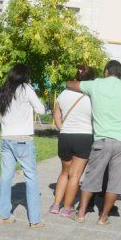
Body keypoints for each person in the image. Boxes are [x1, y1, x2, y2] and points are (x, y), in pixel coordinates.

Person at [66, 60, 121, 224]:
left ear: (106, 71)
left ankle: (80, 215)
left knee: (91, 178)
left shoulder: (96, 84)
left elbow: (71, 85)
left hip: (102, 140)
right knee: (116, 182)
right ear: (120, 74)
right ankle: (103, 217)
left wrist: (74, 78)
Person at [0, 64, 46, 227]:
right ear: (25, 76)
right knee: (31, 177)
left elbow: (0, 113)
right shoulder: (26, 88)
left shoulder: (4, 90)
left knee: (6, 177)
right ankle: (35, 220)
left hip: (6, 138)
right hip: (23, 139)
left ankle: (4, 215)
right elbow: (41, 110)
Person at [51, 65, 96, 217]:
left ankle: (56, 205)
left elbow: (56, 115)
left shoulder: (64, 93)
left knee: (64, 172)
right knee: (75, 175)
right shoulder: (92, 96)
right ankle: (67, 207)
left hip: (65, 136)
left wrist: (62, 128)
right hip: (83, 136)